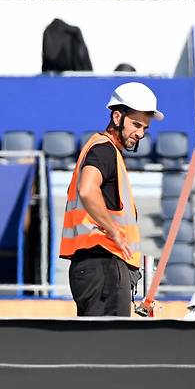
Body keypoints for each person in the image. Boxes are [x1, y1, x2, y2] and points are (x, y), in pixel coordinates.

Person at [60, 81, 164, 316]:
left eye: (145, 128)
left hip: (99, 268)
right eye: (136, 124)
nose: (140, 133)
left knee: (99, 346)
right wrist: (114, 231)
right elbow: (88, 189)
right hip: (103, 265)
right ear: (117, 117)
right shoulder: (104, 150)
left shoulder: (104, 151)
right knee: (107, 346)